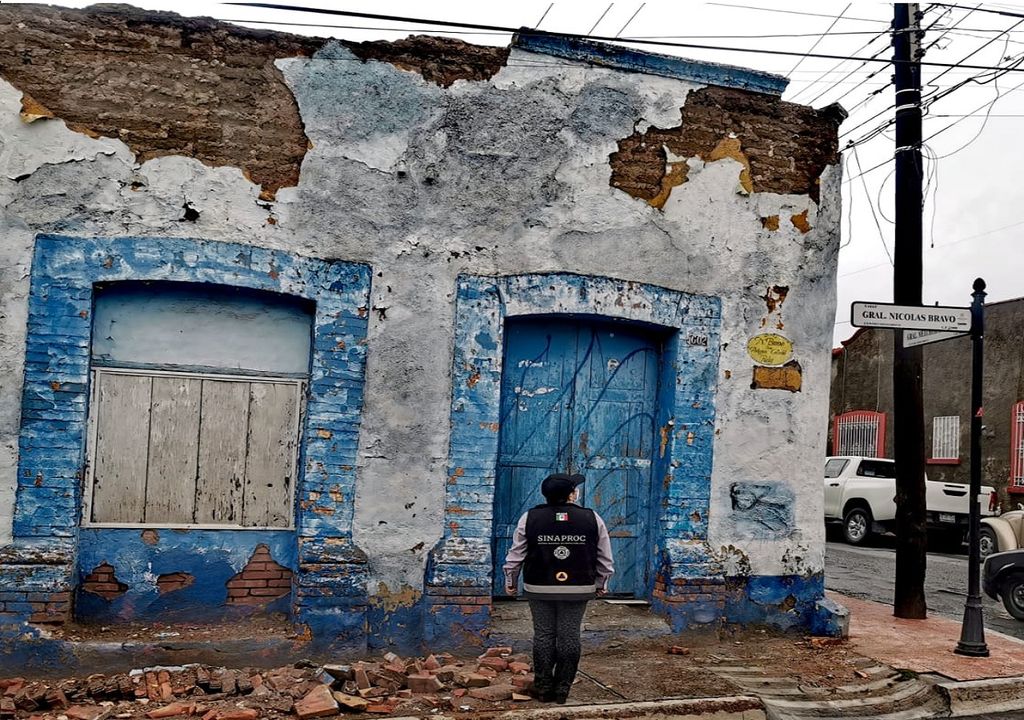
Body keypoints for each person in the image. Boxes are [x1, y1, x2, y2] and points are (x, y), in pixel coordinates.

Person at [502, 472, 614, 704]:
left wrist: (511, 582)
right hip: (578, 588)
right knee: (569, 635)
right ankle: (562, 689)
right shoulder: (592, 518)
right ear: (572, 494)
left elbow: (515, 556)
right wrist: (601, 584)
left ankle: (543, 688)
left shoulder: (530, 517)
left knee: (543, 634)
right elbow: (605, 557)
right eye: (575, 488)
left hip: (539, 587)